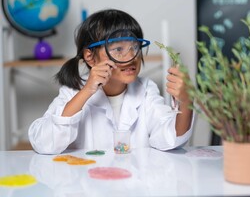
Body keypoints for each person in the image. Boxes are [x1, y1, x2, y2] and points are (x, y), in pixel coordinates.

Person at [28, 9, 194, 154]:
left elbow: (170, 138)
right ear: (90, 57)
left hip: (132, 184)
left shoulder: (145, 89)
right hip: (88, 185)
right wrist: (86, 91)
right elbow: (44, 143)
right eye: (118, 49)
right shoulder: (72, 91)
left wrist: (186, 100)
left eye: (135, 47)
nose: (130, 57)